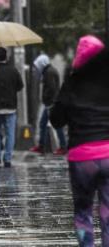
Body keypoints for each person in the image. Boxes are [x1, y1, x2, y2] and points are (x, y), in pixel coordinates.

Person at [50, 35, 109, 247]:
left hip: (82, 157)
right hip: (108, 153)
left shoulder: (72, 83)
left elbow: (56, 119)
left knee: (83, 211)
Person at [30, 54, 67, 155]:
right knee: (43, 124)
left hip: (51, 104)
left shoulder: (49, 72)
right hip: (51, 103)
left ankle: (63, 147)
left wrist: (47, 100)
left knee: (57, 125)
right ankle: (42, 146)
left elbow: (51, 88)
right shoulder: (48, 71)